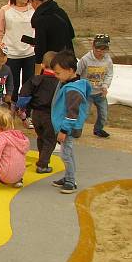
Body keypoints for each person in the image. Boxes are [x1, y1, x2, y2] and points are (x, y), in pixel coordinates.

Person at [50, 50, 91, 195]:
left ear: (71, 70)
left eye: (58, 73)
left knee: (65, 155)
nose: (56, 76)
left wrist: (63, 131)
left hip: (67, 128)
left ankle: (71, 181)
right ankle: (68, 176)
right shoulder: (67, 82)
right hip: (64, 126)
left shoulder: (73, 90)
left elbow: (72, 114)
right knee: (68, 152)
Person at [17, 50, 59, 173]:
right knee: (50, 139)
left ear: (42, 65)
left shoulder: (36, 79)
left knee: (41, 137)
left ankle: (42, 158)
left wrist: (22, 109)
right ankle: (43, 164)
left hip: (36, 114)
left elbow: (24, 94)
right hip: (50, 115)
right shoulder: (59, 82)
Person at [0, 0, 35, 101]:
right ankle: (12, 111)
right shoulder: (5, 10)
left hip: (30, 54)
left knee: (29, 85)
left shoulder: (34, 8)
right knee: (13, 85)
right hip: (12, 54)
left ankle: (25, 112)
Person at [28, 0, 74, 73]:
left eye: (30, 2)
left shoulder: (41, 19)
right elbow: (71, 34)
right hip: (67, 59)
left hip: (51, 64)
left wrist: (38, 72)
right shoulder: (60, 11)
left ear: (35, 1)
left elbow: (40, 50)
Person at [77, 34, 113, 138]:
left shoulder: (108, 60)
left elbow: (109, 74)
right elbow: (77, 73)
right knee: (84, 113)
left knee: (103, 114)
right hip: (87, 93)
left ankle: (98, 129)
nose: (100, 52)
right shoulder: (85, 59)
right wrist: (80, 88)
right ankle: (77, 129)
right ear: (93, 46)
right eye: (98, 49)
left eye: (103, 50)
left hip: (100, 93)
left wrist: (105, 86)